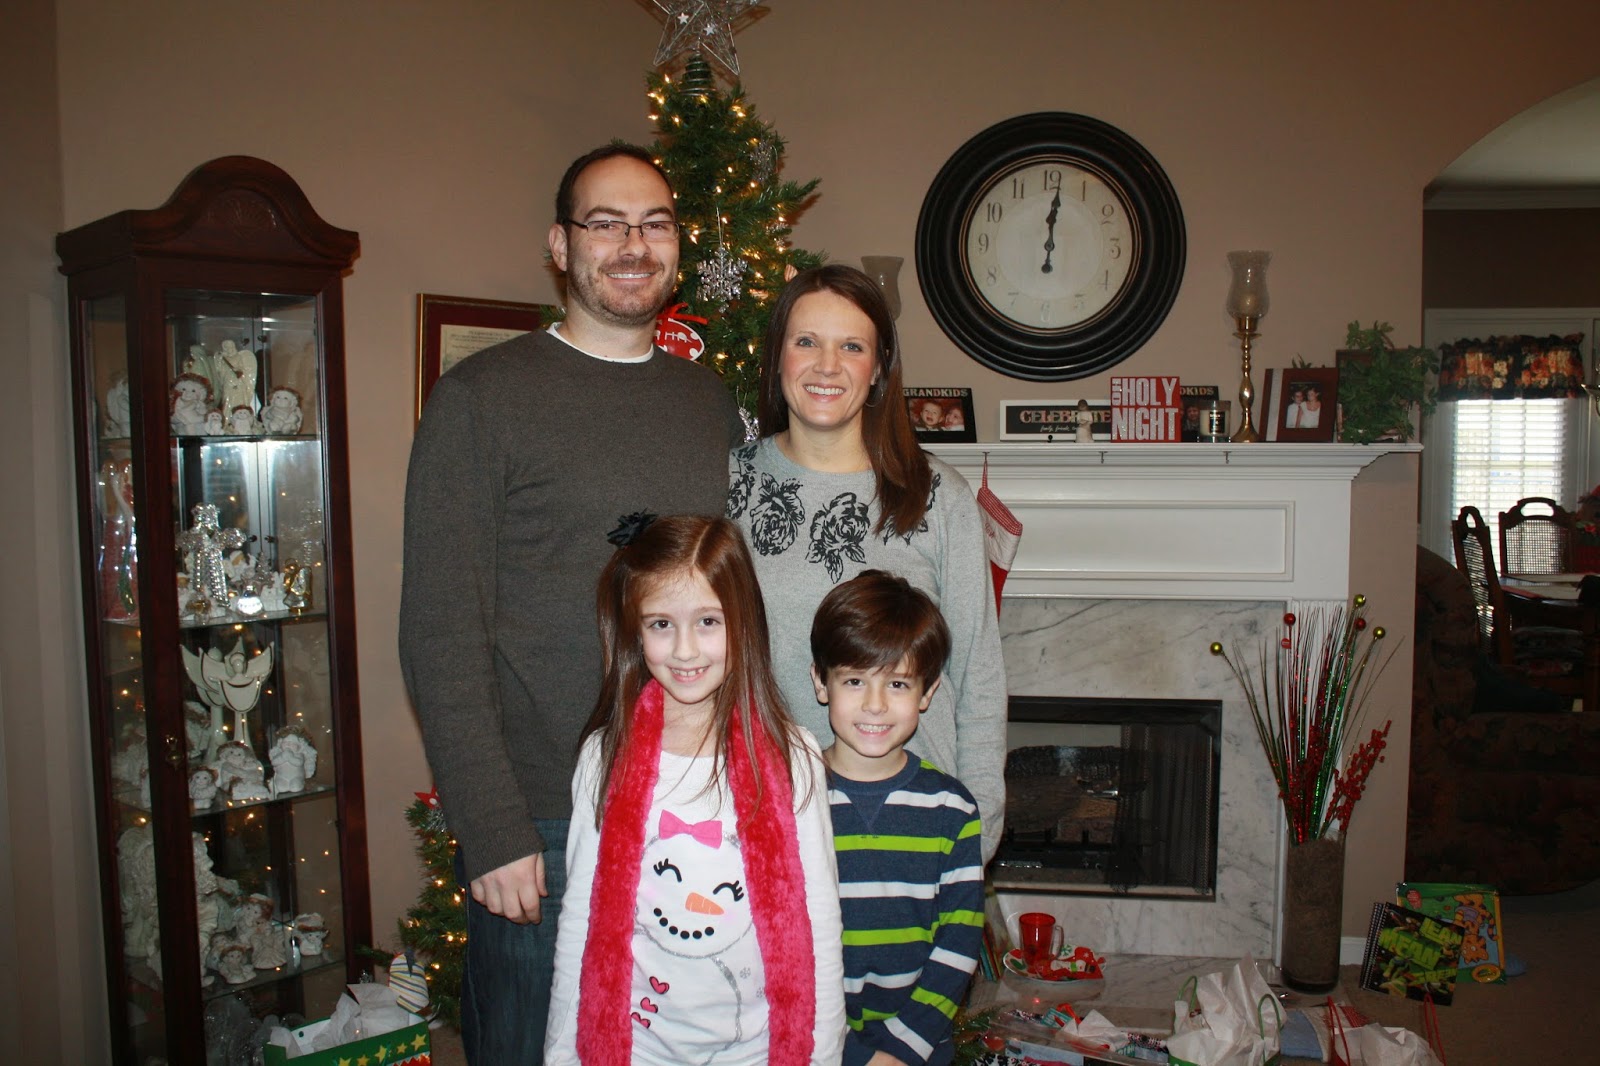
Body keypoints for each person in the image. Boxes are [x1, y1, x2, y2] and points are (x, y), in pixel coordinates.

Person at [400, 143, 744, 1063]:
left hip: (690, 805)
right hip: (545, 819)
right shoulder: (480, 400)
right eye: (605, 223)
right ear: (560, 245)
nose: (633, 245)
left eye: (654, 223)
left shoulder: (706, 401)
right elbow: (440, 628)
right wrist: (491, 825)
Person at [727, 264, 1007, 863]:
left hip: (916, 827)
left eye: (852, 347)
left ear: (878, 368)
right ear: (777, 357)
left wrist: (978, 828)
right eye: (807, 341)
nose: (827, 366)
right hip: (768, 827)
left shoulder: (939, 497)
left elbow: (977, 674)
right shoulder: (725, 489)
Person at [543, 515, 845, 1064]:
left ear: (743, 622)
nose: (685, 651)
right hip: (638, 1049)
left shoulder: (793, 758)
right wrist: (561, 1056)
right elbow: (582, 921)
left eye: (708, 621)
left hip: (754, 1052)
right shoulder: (604, 757)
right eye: (661, 624)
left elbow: (819, 926)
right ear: (634, 631)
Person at [810, 570, 983, 1066]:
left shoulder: (953, 811)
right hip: (818, 1046)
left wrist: (900, 1051)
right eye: (855, 680)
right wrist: (847, 1051)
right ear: (821, 682)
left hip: (920, 1050)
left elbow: (958, 946)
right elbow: (778, 941)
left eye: (898, 683)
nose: (875, 704)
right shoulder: (793, 799)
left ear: (927, 693)